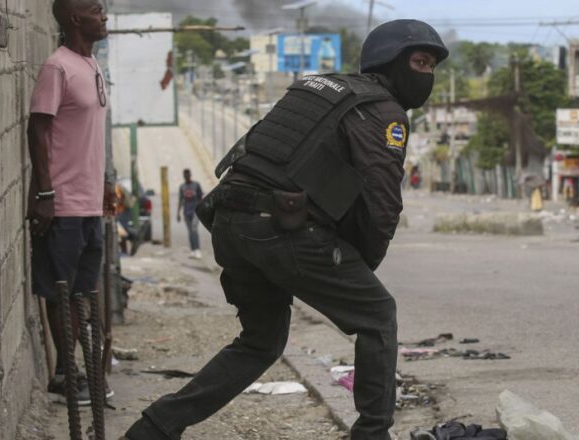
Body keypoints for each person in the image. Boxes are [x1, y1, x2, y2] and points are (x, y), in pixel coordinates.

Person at [123, 19, 448, 440]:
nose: (428, 75)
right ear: (389, 61)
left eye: (432, 66)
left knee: (261, 342)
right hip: (281, 228)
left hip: (228, 220)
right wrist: (360, 268)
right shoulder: (385, 112)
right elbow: (381, 203)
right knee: (378, 315)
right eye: (420, 62)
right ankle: (372, 434)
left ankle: (154, 428)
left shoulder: (317, 89)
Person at [27, 0, 113, 405]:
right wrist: (45, 194)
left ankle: (74, 368)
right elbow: (38, 129)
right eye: (97, 10)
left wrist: (105, 184)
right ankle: (66, 372)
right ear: (76, 18)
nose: (104, 16)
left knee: (80, 291)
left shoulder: (92, 66)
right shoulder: (57, 67)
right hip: (60, 205)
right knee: (58, 290)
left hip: (90, 204)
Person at [177, 169, 204, 259]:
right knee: (190, 231)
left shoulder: (196, 185)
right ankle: (193, 250)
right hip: (186, 212)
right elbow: (180, 200)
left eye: (188, 175)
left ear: (190, 175)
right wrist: (178, 213)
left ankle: (197, 250)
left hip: (195, 211)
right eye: (185, 176)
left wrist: (202, 209)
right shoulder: (182, 187)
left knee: (194, 229)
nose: (187, 177)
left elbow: (201, 198)